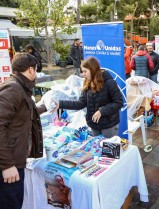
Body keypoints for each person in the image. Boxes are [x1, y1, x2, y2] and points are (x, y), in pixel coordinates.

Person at [0, 53, 51, 209]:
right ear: (31, 69)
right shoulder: (13, 88)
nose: (35, 73)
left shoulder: (20, 87)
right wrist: (7, 165)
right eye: (35, 70)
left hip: (15, 160)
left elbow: (21, 114)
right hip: (9, 163)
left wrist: (44, 107)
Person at [54, 57, 123, 138]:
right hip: (94, 125)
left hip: (109, 125)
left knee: (108, 149)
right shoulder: (87, 82)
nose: (83, 74)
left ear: (93, 69)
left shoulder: (109, 82)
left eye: (85, 71)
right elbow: (80, 103)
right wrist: (60, 104)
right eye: (82, 71)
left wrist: (101, 111)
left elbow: (118, 102)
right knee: (96, 149)